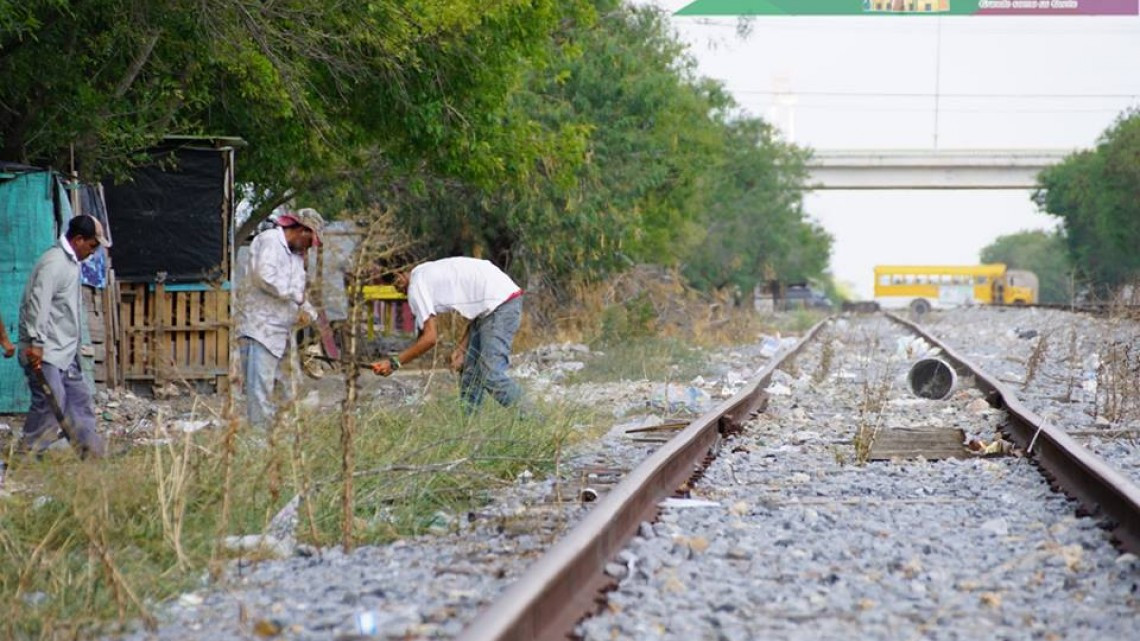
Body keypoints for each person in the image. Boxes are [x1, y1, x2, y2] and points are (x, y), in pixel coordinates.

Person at [371, 257, 524, 411]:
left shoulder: (415, 287)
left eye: (396, 286)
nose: (399, 291)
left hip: (501, 305)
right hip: (496, 302)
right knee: (470, 376)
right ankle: (469, 431)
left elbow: (429, 338)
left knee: (491, 375)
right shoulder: (422, 272)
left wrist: (394, 363)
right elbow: (480, 306)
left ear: (399, 276)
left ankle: (538, 420)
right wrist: (462, 348)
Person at [17, 215, 111, 457]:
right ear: (78, 240)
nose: (92, 252)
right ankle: (28, 454)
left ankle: (92, 455)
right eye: (92, 245)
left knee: (79, 401)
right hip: (44, 350)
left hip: (65, 352)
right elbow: (38, 304)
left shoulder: (71, 263)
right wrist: (36, 343)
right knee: (52, 401)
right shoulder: (54, 263)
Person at [235, 208, 325, 428]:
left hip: (282, 331)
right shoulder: (271, 240)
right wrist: (295, 297)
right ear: (302, 231)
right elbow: (264, 276)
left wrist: (310, 315)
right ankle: (259, 442)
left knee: (288, 388)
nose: (308, 248)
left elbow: (298, 293)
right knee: (260, 390)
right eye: (310, 241)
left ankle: (280, 437)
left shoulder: (296, 257)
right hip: (260, 329)